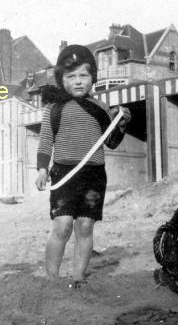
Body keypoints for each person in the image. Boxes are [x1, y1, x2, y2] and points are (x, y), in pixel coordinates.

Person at [35, 44, 131, 287]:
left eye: (83, 75)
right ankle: (52, 278)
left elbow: (111, 142)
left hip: (93, 176)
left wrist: (120, 123)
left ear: (93, 78)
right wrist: (42, 169)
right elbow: (46, 140)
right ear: (61, 79)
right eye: (71, 76)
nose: (78, 82)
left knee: (85, 226)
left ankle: (78, 278)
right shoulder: (53, 109)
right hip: (64, 174)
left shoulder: (101, 108)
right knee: (62, 225)